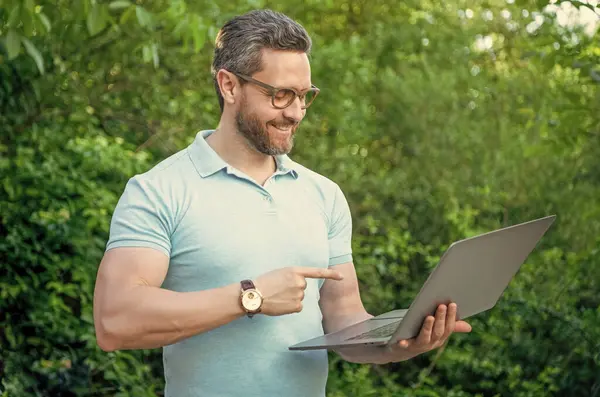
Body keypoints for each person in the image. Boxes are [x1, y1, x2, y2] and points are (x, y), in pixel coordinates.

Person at [92, 9, 472, 397]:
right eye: (280, 95)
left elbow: (345, 319)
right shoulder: (158, 190)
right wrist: (249, 297)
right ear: (229, 86)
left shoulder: (324, 195)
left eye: (305, 96)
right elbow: (115, 320)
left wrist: (397, 343)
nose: (295, 113)